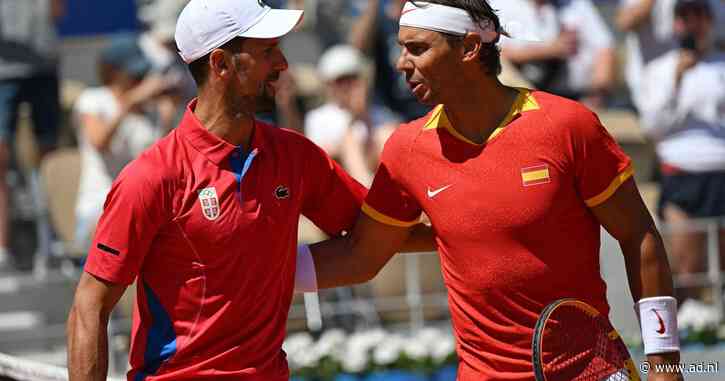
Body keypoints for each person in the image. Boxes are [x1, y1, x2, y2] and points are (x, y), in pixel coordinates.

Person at [302, 1, 684, 380]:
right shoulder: (406, 149)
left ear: (469, 48)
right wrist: (250, 273)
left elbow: (638, 235)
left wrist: (664, 363)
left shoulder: (568, 126)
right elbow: (360, 257)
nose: (401, 63)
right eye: (402, 48)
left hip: (591, 371)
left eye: (417, 48)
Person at [66, 1, 433, 380]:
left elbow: (374, 234)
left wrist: (470, 222)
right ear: (221, 64)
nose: (283, 64)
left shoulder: (295, 155)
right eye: (267, 51)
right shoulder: (151, 177)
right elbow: (89, 306)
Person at [637, 0, 725, 302]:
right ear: (676, 24)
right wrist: (677, 78)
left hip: (720, 171)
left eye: (699, 16)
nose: (693, 24)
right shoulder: (659, 70)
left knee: (720, 273)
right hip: (681, 173)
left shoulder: (721, 65)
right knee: (688, 271)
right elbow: (653, 125)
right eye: (686, 17)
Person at [73, 35, 172, 253]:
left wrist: (166, 116)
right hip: (100, 208)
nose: (140, 78)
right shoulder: (93, 99)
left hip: (144, 208)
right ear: (113, 72)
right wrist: (128, 104)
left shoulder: (149, 110)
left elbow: (160, 164)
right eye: (134, 73)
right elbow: (99, 142)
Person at [0, 0, 64, 269]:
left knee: (50, 159)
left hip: (44, 67)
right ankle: (2, 249)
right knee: (0, 160)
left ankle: (56, 239)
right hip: (3, 72)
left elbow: (57, 12)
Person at [490, 0, 616, 109]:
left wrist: (596, 97)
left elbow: (604, 48)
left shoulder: (574, 5)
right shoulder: (501, 5)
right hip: (521, 101)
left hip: (574, 97)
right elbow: (496, 53)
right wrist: (550, 49)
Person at [305, 44, 399, 185]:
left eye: (352, 79)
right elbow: (323, 157)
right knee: (349, 143)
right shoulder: (318, 117)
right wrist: (354, 118)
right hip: (340, 183)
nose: (347, 86)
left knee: (386, 133)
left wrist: (363, 114)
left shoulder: (380, 114)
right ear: (329, 84)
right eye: (340, 81)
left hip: (375, 174)